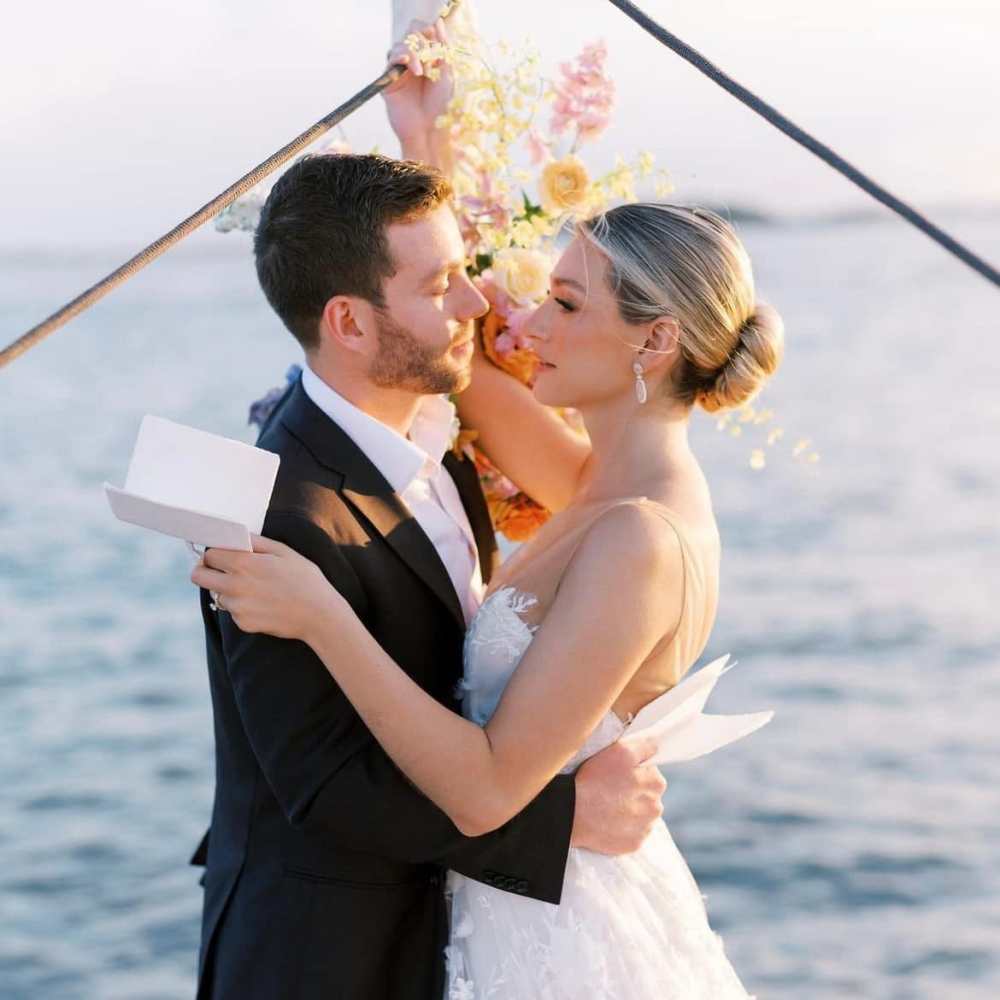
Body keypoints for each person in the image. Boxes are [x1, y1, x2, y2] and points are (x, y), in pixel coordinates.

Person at [192, 26, 784, 998]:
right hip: (486, 915)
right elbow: (439, 335)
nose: (517, 320)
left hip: (567, 934)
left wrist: (323, 615)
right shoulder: (590, 475)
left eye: (562, 305)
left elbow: (482, 787)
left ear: (654, 342)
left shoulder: (639, 532)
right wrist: (421, 134)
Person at [187, 152, 668, 998]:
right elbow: (326, 786)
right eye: (442, 283)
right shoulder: (278, 515)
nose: (476, 305)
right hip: (324, 960)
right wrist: (560, 822)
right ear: (350, 323)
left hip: (447, 940)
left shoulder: (435, 439)